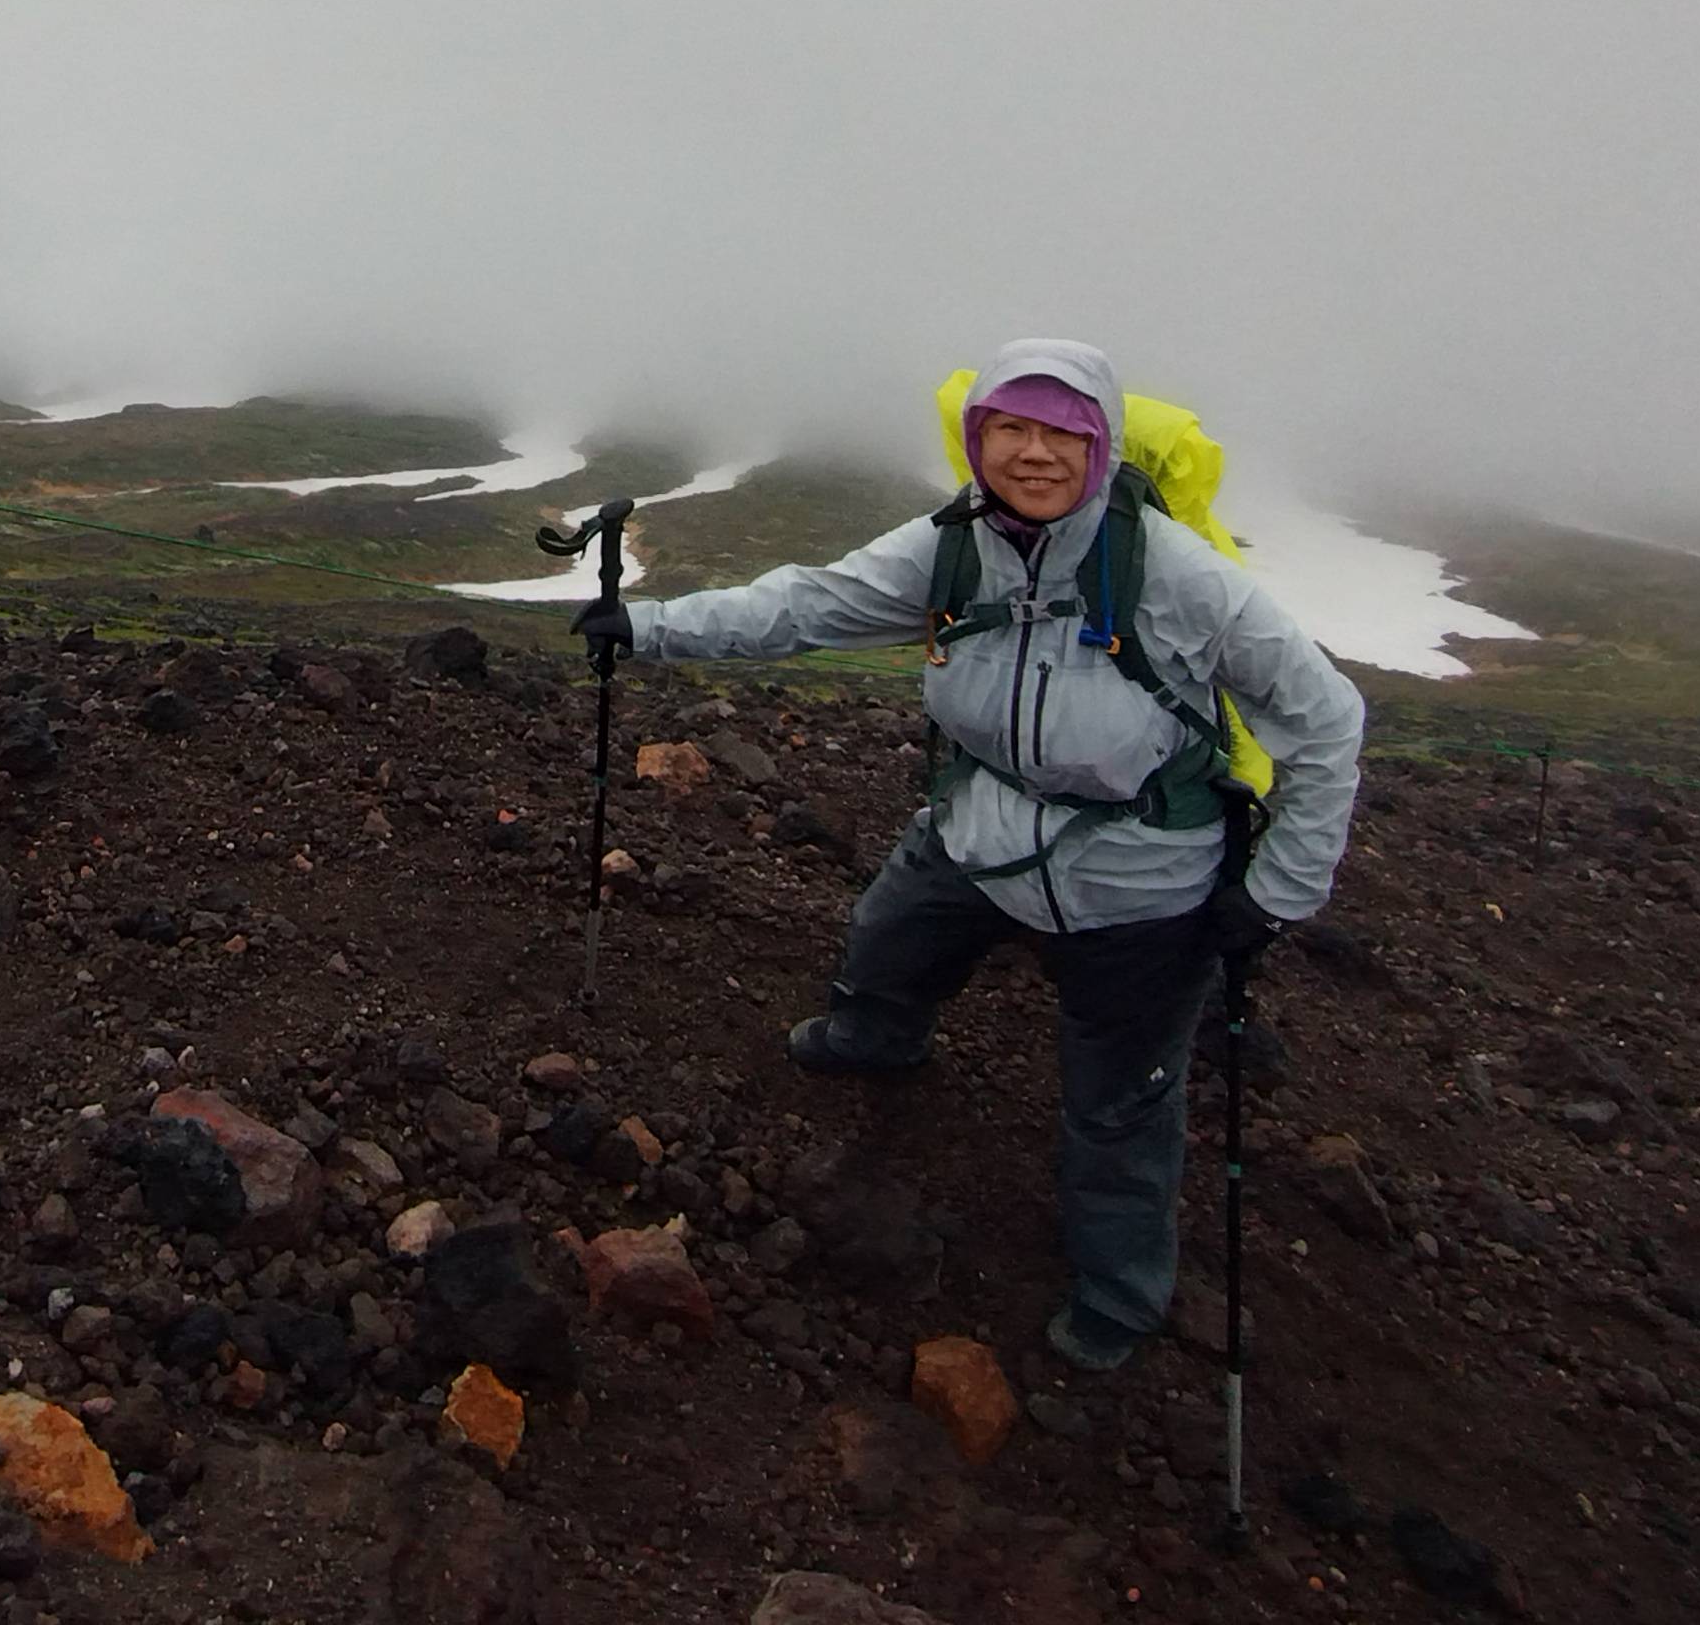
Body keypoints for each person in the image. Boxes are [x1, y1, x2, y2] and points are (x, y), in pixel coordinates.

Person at [579, 338, 1364, 1371]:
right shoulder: (948, 547)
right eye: (1009, 429)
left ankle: (1121, 1298)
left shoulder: (1180, 576)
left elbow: (1325, 718)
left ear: (1100, 445)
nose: (1032, 454)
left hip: (1140, 884)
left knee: (1121, 1103)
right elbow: (809, 605)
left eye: (1059, 435)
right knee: (887, 939)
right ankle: (877, 1037)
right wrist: (651, 627)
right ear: (975, 436)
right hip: (980, 830)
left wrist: (1275, 896)